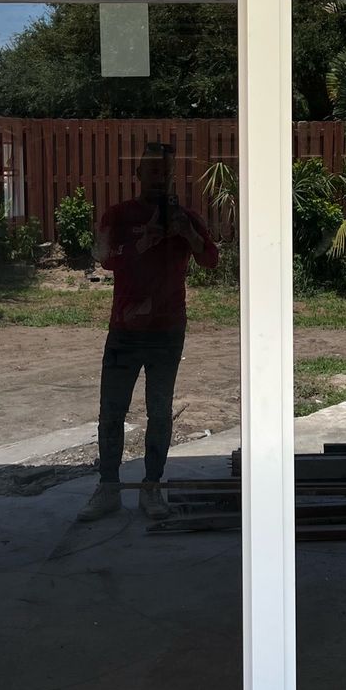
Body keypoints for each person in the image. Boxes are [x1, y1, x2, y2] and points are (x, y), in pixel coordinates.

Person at [77, 142, 219, 523]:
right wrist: (145, 240)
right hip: (124, 329)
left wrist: (186, 233)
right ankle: (108, 488)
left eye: (165, 170)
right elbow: (103, 257)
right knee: (111, 412)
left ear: (172, 175)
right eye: (151, 170)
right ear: (138, 174)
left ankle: (151, 486)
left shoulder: (185, 217)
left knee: (159, 412)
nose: (158, 176)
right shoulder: (119, 215)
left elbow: (210, 259)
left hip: (167, 330)